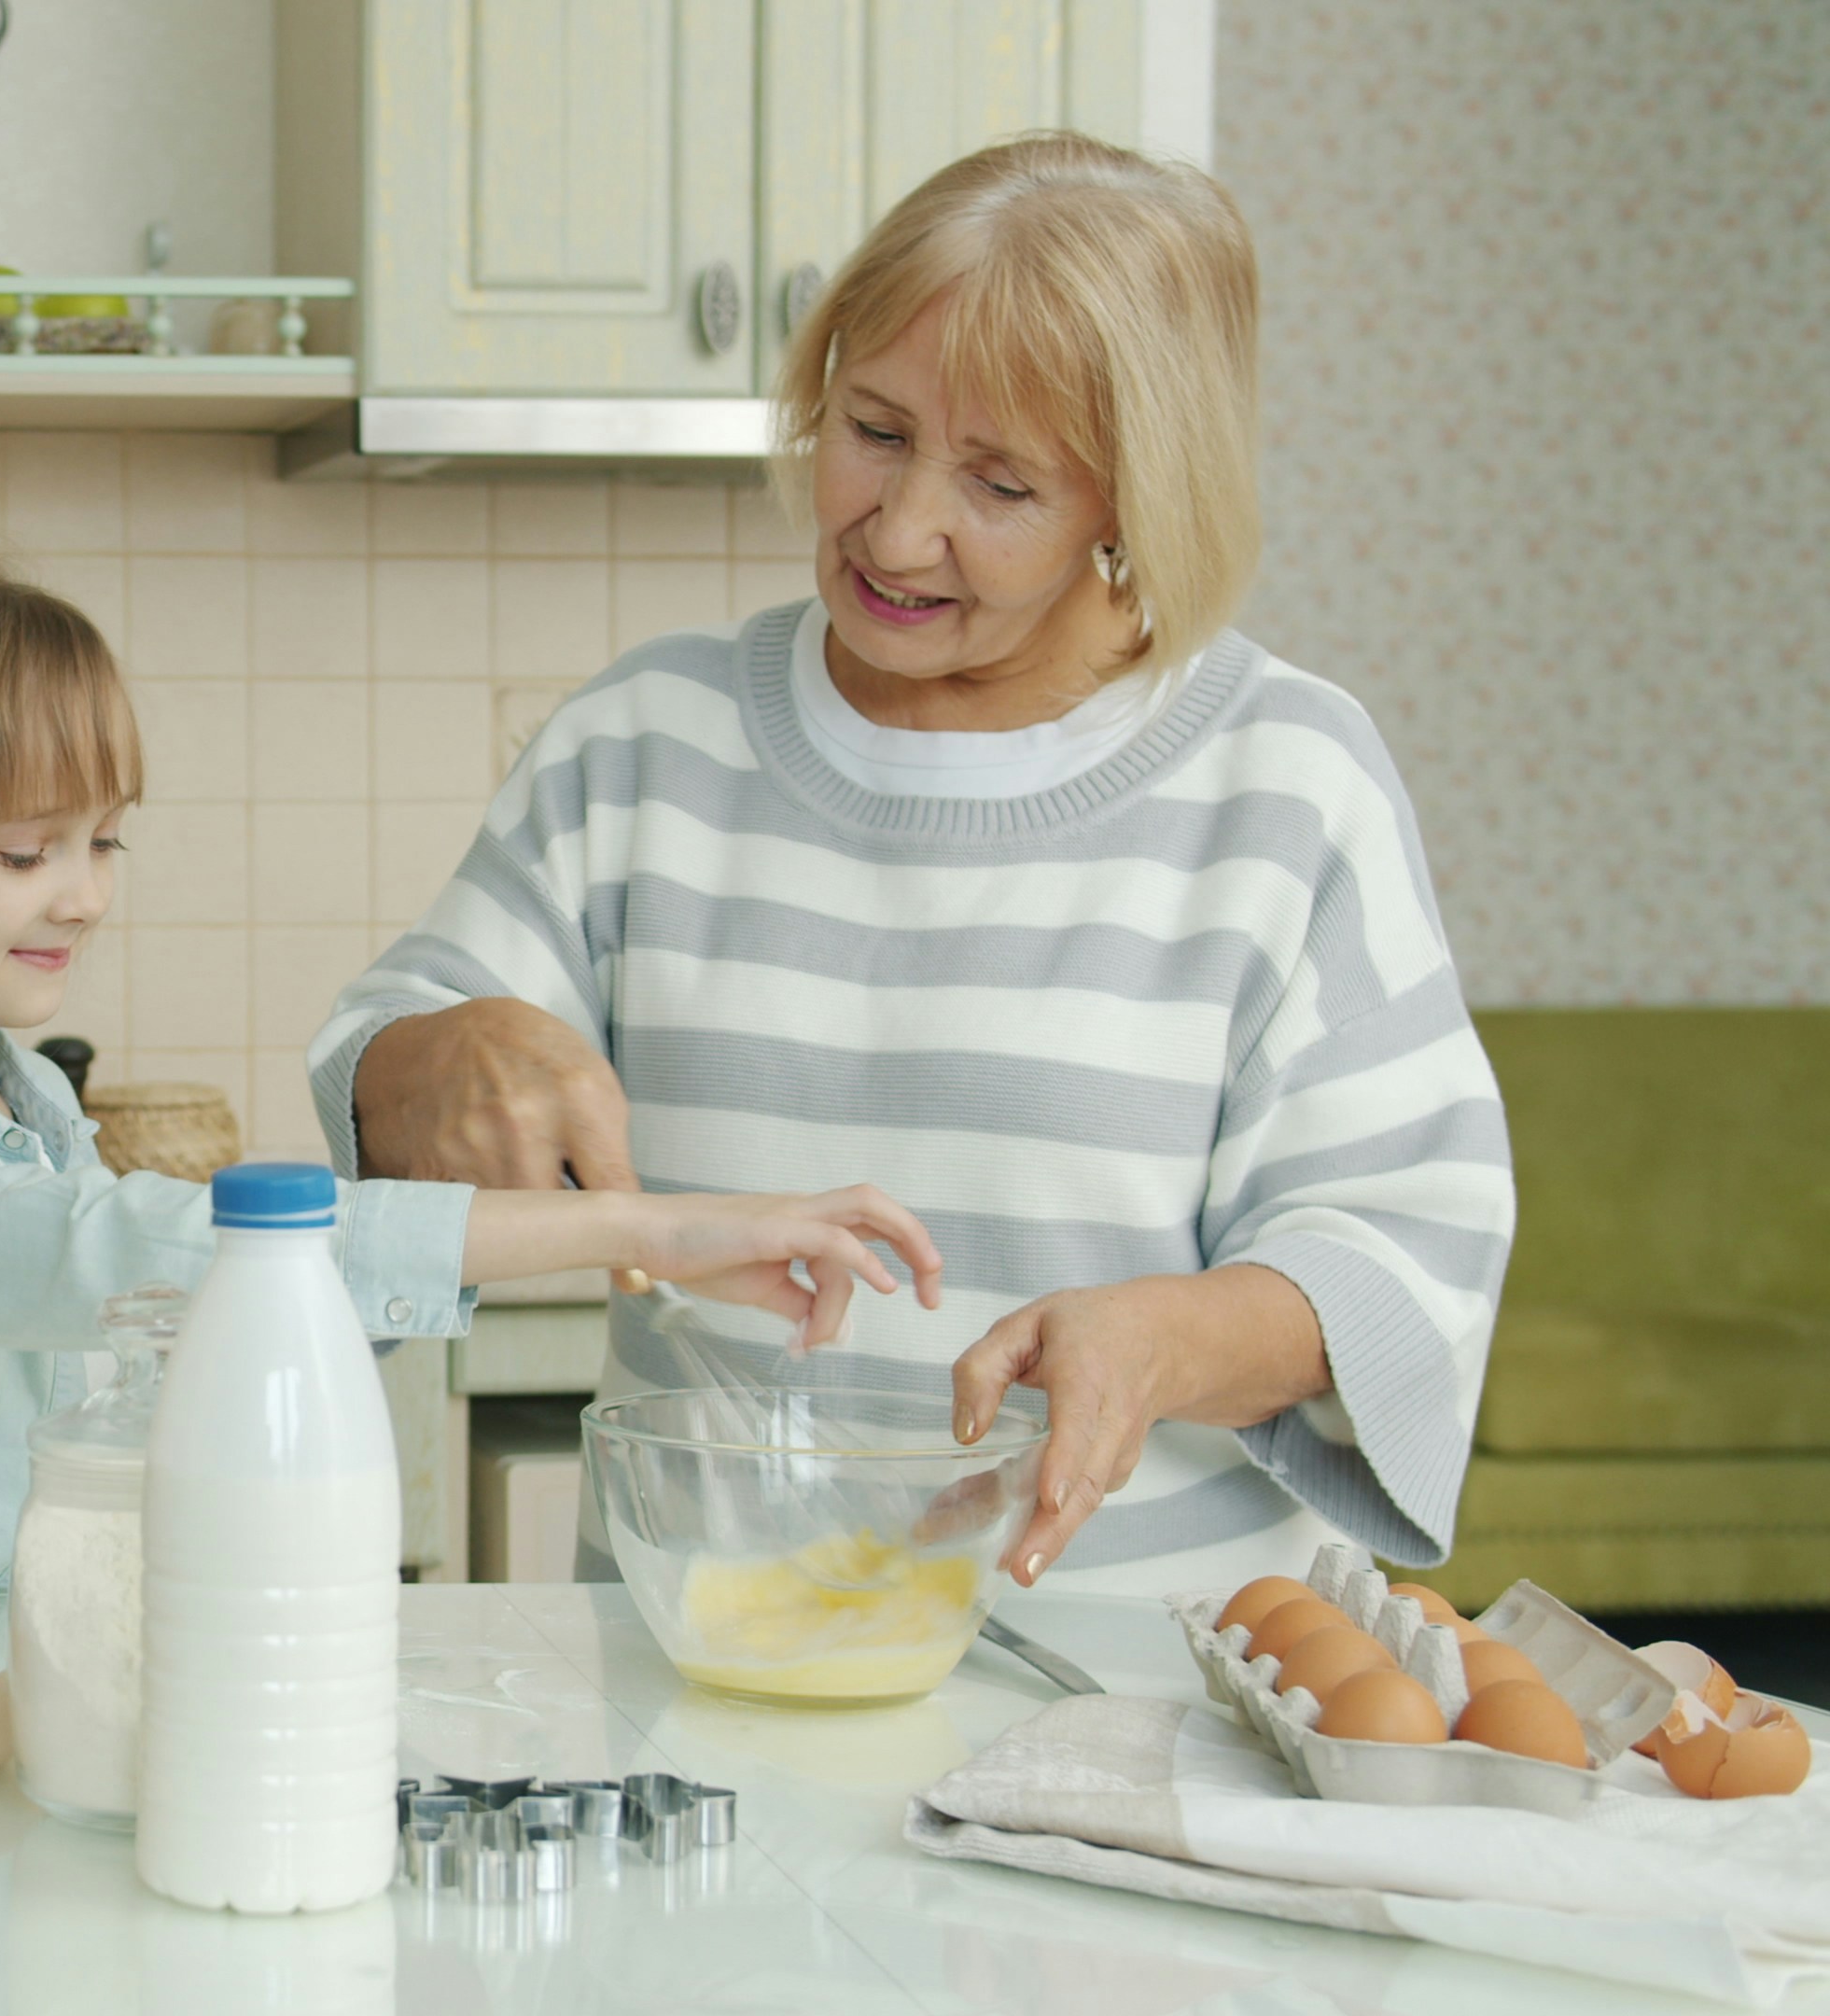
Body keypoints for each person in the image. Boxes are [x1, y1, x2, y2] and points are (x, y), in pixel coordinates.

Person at [315, 133, 1516, 1595]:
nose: (898, 529)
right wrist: (435, 1059)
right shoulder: (644, 740)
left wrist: (1167, 1339)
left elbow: (1402, 1246)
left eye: (1000, 485)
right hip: (695, 1661)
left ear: (1135, 501)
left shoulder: (1286, 784)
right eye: (875, 431)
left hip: (1130, 1681)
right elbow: (384, 1088)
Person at [0, 549, 947, 1630]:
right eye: (25, 853)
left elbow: (170, 1318)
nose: (83, 896)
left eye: (103, 841)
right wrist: (639, 1223)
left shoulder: (31, 1107)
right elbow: (114, 1253)